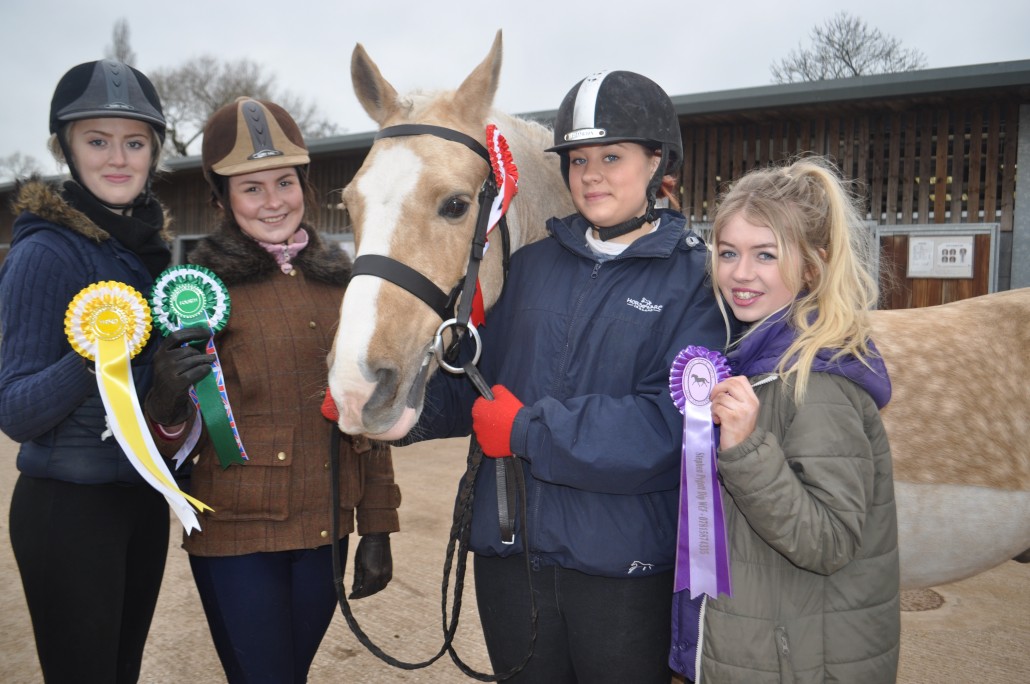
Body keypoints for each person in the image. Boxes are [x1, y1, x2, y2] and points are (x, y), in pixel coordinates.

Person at [414, 71, 726, 682]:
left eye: (613, 156)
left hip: (621, 569)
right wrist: (402, 412)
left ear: (657, 160)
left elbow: (666, 428)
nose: (591, 174)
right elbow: (477, 382)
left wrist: (529, 431)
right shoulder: (527, 267)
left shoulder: (696, 282)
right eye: (578, 159)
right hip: (511, 557)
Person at [144, 97, 401, 684]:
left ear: (305, 189)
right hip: (235, 535)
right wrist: (164, 402)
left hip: (324, 531)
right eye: (250, 188)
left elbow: (370, 416)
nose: (273, 201)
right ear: (221, 201)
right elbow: (170, 444)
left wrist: (378, 525)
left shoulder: (346, 286)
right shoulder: (196, 292)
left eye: (283, 182)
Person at [670, 156, 900, 682]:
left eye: (765, 255)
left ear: (812, 267)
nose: (741, 273)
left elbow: (831, 540)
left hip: (793, 661)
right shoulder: (744, 358)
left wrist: (747, 452)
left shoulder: (820, 380)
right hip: (756, 645)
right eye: (728, 252)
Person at [0, 59, 174, 683]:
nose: (118, 158)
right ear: (66, 149)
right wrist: (95, 353)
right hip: (68, 510)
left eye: (134, 142)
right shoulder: (44, 251)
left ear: (154, 152)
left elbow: (142, 399)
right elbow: (16, 410)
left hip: (139, 503)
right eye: (97, 141)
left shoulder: (145, 251)